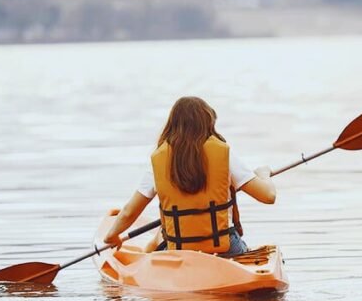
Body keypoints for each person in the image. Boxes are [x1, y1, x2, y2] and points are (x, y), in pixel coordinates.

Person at [102, 97, 276, 256]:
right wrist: (264, 175)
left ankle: (146, 259)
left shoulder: (159, 161)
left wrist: (112, 236)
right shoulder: (224, 155)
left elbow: (128, 213)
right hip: (225, 249)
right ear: (208, 124)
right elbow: (268, 196)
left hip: (179, 251)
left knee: (159, 236)